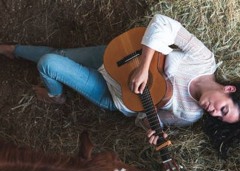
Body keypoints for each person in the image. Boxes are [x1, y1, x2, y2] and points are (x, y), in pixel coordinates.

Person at [0, 14, 240, 155]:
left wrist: (152, 126)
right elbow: (161, 22)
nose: (214, 112)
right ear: (229, 90)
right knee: (60, 53)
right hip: (122, 58)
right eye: (224, 109)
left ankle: (56, 96)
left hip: (113, 93)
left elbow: (141, 118)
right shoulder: (204, 59)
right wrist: (144, 68)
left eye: (219, 117)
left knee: (49, 63)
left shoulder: (189, 114)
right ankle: (13, 50)